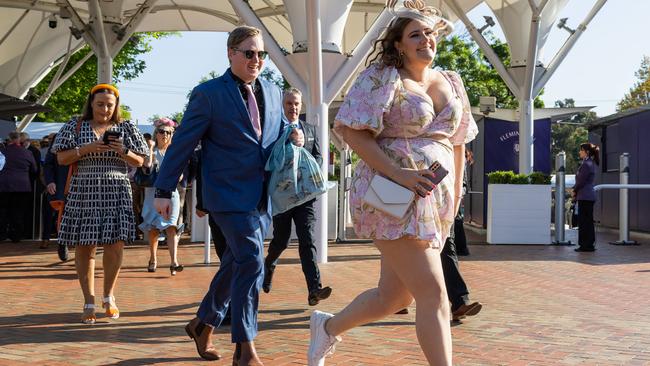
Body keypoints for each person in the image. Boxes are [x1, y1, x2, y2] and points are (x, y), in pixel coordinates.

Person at [307, 3, 478, 365]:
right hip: (391, 194)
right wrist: (398, 174)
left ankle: (327, 328)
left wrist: (458, 192)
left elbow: (459, 142)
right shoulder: (383, 77)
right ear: (398, 43)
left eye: (429, 33)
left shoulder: (450, 81)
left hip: (436, 201)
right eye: (415, 34)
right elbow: (354, 132)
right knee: (434, 294)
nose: (425, 39)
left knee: (395, 298)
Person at [153, 26, 303, 364]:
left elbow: (275, 133)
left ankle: (202, 322)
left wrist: (293, 137)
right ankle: (245, 348)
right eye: (249, 53)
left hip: (261, 197)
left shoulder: (272, 90)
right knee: (251, 261)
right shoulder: (208, 94)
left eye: (261, 54)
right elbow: (183, 144)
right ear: (230, 53)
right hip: (226, 195)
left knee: (237, 262)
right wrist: (163, 189)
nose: (256, 60)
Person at [52, 84, 148, 324]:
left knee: (115, 244)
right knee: (85, 245)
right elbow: (61, 158)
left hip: (116, 189)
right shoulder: (76, 125)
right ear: (91, 104)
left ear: (116, 106)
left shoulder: (126, 127)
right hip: (84, 190)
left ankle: (109, 297)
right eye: (100, 104)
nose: (105, 109)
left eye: (109, 105)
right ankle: (89, 301)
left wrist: (123, 150)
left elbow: (142, 161)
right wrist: (86, 149)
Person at [262, 87, 332, 306]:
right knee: (281, 241)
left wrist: (306, 157)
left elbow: (319, 158)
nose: (293, 108)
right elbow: (267, 156)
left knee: (307, 240)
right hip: (283, 198)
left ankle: (314, 289)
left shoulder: (310, 130)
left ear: (301, 106)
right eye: (289, 103)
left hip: (305, 198)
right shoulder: (274, 130)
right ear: (283, 106)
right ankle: (269, 264)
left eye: (296, 104)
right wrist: (286, 141)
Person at [140, 117, 184, 275]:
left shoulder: (175, 152)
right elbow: (147, 167)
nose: (164, 135)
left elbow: (180, 177)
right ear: (156, 133)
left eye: (168, 132)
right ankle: (153, 259)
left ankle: (174, 262)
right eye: (161, 131)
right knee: (153, 230)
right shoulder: (150, 150)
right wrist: (150, 150)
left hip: (171, 194)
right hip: (153, 194)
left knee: (171, 227)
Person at [0, 131, 37, 242]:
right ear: (19, 140)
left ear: (9, 140)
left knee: (2, 211)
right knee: (19, 211)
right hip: (22, 186)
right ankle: (16, 236)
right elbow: (34, 169)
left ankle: (1, 234)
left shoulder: (2, 152)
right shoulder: (27, 153)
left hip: (3, 185)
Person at [572, 142, 599, 252]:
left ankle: (585, 245)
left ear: (586, 152)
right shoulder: (589, 163)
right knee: (587, 221)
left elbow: (580, 181)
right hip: (587, 196)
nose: (579, 152)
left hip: (585, 196)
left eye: (581, 150)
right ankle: (589, 244)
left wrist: (574, 190)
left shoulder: (586, 164)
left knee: (584, 222)